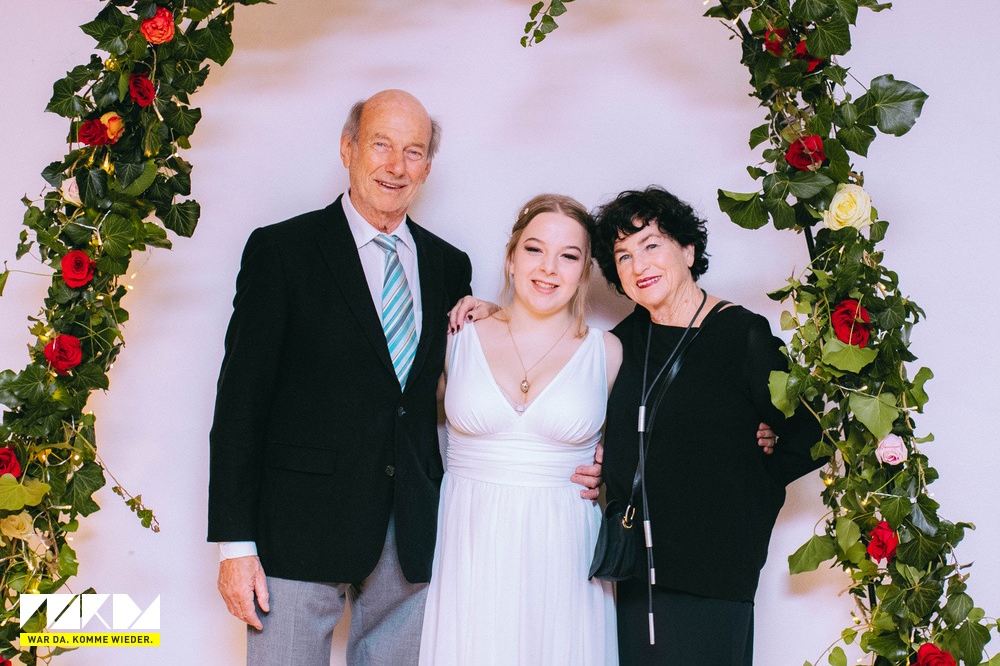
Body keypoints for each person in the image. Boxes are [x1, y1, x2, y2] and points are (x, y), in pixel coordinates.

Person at [206, 90, 603, 665]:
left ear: (428, 166)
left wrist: (497, 313)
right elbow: (239, 404)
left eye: (413, 151)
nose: (396, 166)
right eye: (381, 145)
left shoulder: (448, 264)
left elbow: (462, 373)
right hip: (296, 528)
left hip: (413, 532)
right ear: (348, 149)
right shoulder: (282, 250)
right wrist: (234, 546)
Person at [590, 185, 824, 665]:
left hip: (714, 574)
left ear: (688, 250)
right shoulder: (623, 342)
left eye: (651, 245)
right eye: (623, 256)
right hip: (635, 572)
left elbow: (812, 433)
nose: (639, 265)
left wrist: (755, 472)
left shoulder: (742, 334)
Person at [419, 194, 621, 665]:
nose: (548, 268)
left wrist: (609, 468)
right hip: (469, 546)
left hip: (565, 552)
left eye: (568, 256)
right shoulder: (457, 337)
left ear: (584, 271)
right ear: (511, 258)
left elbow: (653, 441)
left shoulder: (608, 352)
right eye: (534, 249)